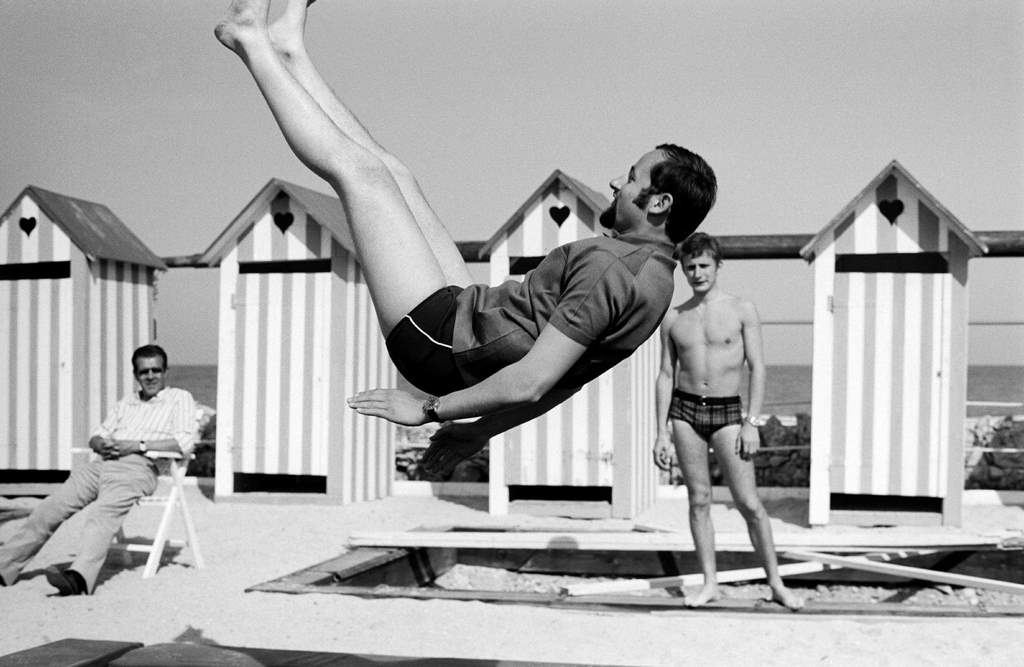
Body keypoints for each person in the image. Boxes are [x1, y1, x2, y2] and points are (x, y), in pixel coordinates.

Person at [214, 0, 716, 477]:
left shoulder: (611, 268)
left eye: (631, 178)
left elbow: (532, 380)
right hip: (470, 321)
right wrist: (477, 434)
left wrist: (431, 411)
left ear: (658, 203)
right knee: (395, 176)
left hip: (438, 344)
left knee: (360, 175)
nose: (616, 183)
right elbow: (562, 384)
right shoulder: (655, 281)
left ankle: (249, 39)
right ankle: (291, 52)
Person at [654, 233, 803, 610]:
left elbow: (758, 366)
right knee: (699, 499)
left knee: (749, 503)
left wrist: (752, 421)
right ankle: (709, 583)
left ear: (718, 266)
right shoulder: (673, 317)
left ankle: (776, 583)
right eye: (690, 267)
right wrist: (660, 433)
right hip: (685, 412)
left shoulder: (742, 309)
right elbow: (665, 376)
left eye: (704, 265)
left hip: (727, 413)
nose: (697, 273)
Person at [0, 345, 197, 595]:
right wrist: (100, 444)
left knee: (101, 514)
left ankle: (79, 578)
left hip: (139, 467)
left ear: (165, 371)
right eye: (144, 371)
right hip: (101, 464)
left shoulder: (179, 398)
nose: (150, 377)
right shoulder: (127, 402)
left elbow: (183, 443)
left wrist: (137, 445)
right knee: (49, 508)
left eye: (156, 370)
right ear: (136, 374)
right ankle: (4, 566)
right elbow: (97, 435)